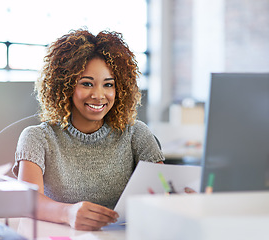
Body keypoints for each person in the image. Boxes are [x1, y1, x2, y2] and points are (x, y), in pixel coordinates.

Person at [12, 29, 165, 231]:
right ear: (64, 86)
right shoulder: (37, 138)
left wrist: (178, 198)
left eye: (108, 84)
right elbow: (27, 201)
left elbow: (163, 190)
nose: (99, 95)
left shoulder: (136, 134)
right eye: (87, 84)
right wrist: (68, 213)